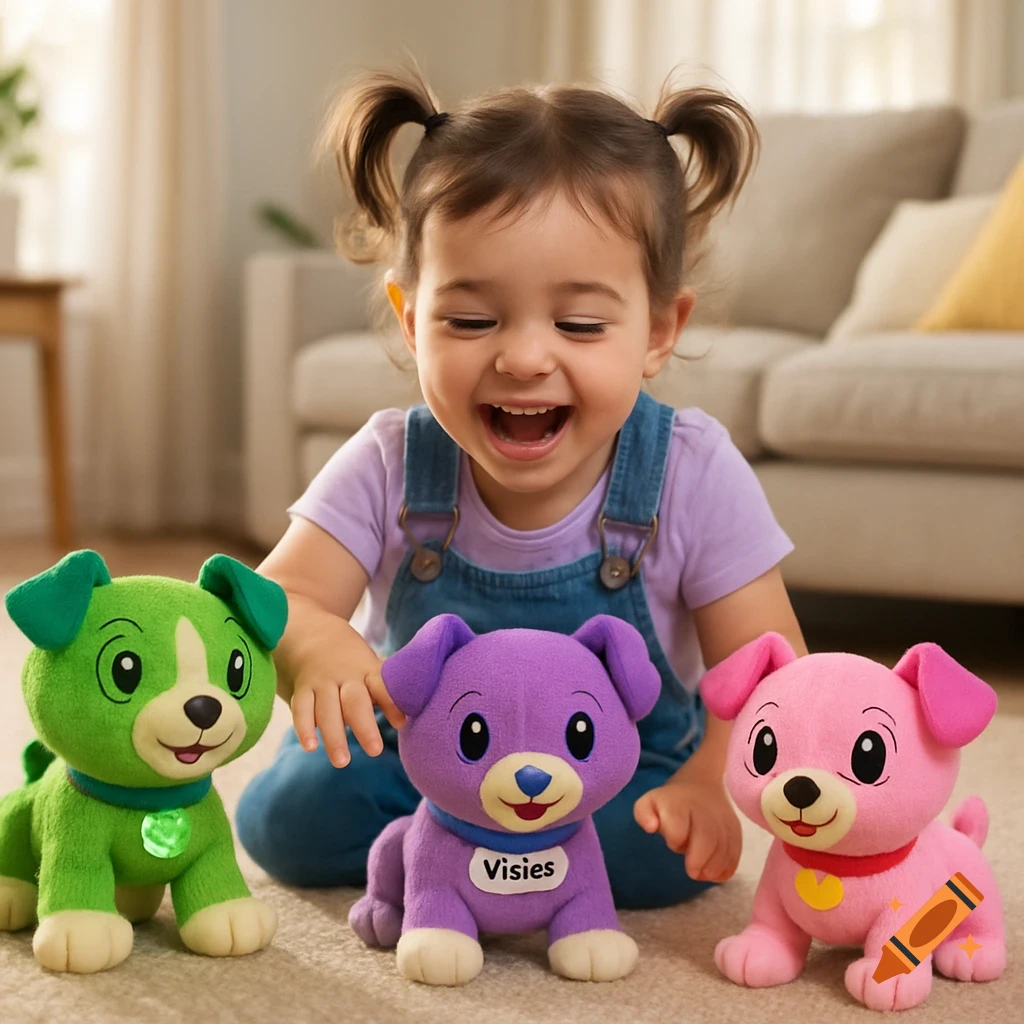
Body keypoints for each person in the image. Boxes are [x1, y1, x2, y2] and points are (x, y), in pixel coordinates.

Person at [236, 66, 807, 909]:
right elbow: (273, 600)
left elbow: (768, 671)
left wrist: (703, 780)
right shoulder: (392, 459)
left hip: (604, 772)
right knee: (286, 820)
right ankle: (446, 849)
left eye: (578, 323)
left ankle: (450, 865)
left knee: (654, 854)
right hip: (424, 761)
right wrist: (314, 643)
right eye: (470, 320)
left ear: (658, 331)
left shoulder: (689, 468)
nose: (524, 357)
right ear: (409, 319)